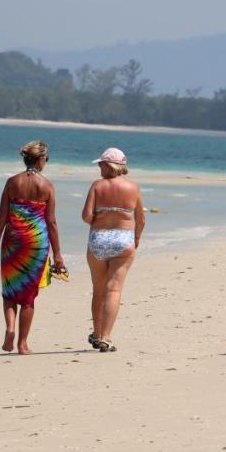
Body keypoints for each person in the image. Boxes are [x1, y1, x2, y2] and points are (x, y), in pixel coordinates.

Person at [0, 141, 65, 354]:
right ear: (41, 160)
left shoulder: (12, 182)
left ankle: (10, 328)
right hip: (37, 244)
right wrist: (57, 254)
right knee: (28, 296)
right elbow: (51, 222)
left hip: (13, 241)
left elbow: (2, 216)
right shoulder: (47, 186)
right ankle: (22, 344)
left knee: (10, 290)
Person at [81, 147, 145, 353]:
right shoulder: (133, 188)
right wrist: (136, 238)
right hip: (123, 239)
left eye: (101, 164)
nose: (99, 167)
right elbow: (140, 219)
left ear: (109, 166)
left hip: (98, 239)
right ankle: (106, 338)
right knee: (114, 289)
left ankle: (98, 333)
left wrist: (101, 216)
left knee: (99, 290)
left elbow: (86, 216)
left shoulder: (97, 186)